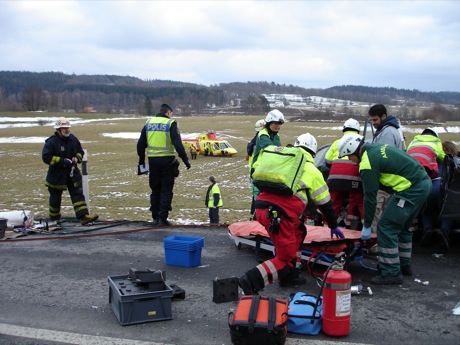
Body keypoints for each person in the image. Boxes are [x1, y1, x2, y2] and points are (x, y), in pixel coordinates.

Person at [239, 133, 343, 295]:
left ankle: (291, 275)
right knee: (285, 257)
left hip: (262, 209)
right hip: (279, 216)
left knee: (299, 231)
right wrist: (334, 225)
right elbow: (326, 204)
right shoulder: (311, 170)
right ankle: (250, 281)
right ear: (313, 153)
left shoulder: (283, 162)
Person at [338, 134, 431, 285]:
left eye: (349, 156)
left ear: (354, 151)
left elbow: (369, 198)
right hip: (423, 184)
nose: (350, 161)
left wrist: (367, 226)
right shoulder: (376, 148)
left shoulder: (367, 163)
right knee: (403, 228)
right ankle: (403, 265)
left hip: (410, 189)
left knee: (386, 226)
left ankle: (391, 272)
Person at [137, 103, 191, 226]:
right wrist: (185, 160)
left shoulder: (148, 123)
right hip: (167, 162)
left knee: (155, 189)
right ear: (168, 113)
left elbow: (140, 144)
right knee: (166, 190)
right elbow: (178, 145)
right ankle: (162, 218)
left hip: (153, 161)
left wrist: (141, 160)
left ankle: (155, 217)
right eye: (171, 113)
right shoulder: (170, 124)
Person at [42, 117, 99, 225]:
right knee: (55, 198)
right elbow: (46, 157)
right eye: (64, 128)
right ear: (58, 130)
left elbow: (80, 152)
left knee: (77, 194)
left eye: (68, 128)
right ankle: (54, 219)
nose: (67, 130)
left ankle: (83, 216)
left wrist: (76, 158)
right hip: (57, 175)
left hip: (72, 174)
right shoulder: (51, 142)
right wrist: (62, 161)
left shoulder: (73, 139)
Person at [368, 104, 404, 234]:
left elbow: (383, 158)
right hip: (389, 182)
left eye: (375, 120)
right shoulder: (388, 130)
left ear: (384, 116)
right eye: (371, 120)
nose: (373, 123)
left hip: (385, 183)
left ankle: (375, 244)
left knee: (377, 214)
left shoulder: (387, 132)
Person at [325, 118, 364, 229]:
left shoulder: (337, 142)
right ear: (357, 130)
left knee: (334, 202)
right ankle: (364, 227)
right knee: (359, 201)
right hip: (354, 175)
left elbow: (327, 160)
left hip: (335, 175)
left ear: (344, 129)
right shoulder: (359, 142)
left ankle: (327, 227)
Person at [420, 140, 458, 251]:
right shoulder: (454, 162)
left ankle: (427, 229)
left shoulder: (434, 161)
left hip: (431, 189)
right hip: (447, 193)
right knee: (449, 212)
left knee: (427, 211)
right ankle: (444, 230)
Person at [249, 110, 284, 216]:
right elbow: (272, 149)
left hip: (269, 171)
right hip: (259, 171)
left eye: (279, 124)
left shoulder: (276, 135)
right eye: (275, 123)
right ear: (269, 122)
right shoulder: (263, 135)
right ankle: (255, 222)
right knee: (260, 201)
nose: (278, 126)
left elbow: (279, 151)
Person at [247, 119, 265, 219]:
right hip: (258, 174)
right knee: (258, 198)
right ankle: (255, 219)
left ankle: (253, 217)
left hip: (253, 173)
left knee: (255, 198)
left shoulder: (253, 142)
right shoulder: (259, 142)